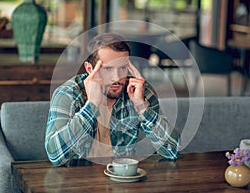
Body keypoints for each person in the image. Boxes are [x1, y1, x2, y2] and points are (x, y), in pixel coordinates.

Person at [45, 33, 180, 166]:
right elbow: (56, 156)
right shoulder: (69, 94)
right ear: (89, 68)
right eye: (108, 68)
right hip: (77, 180)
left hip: (121, 181)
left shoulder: (138, 91)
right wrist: (91, 105)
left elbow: (172, 151)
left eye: (122, 68)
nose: (116, 78)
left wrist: (142, 107)